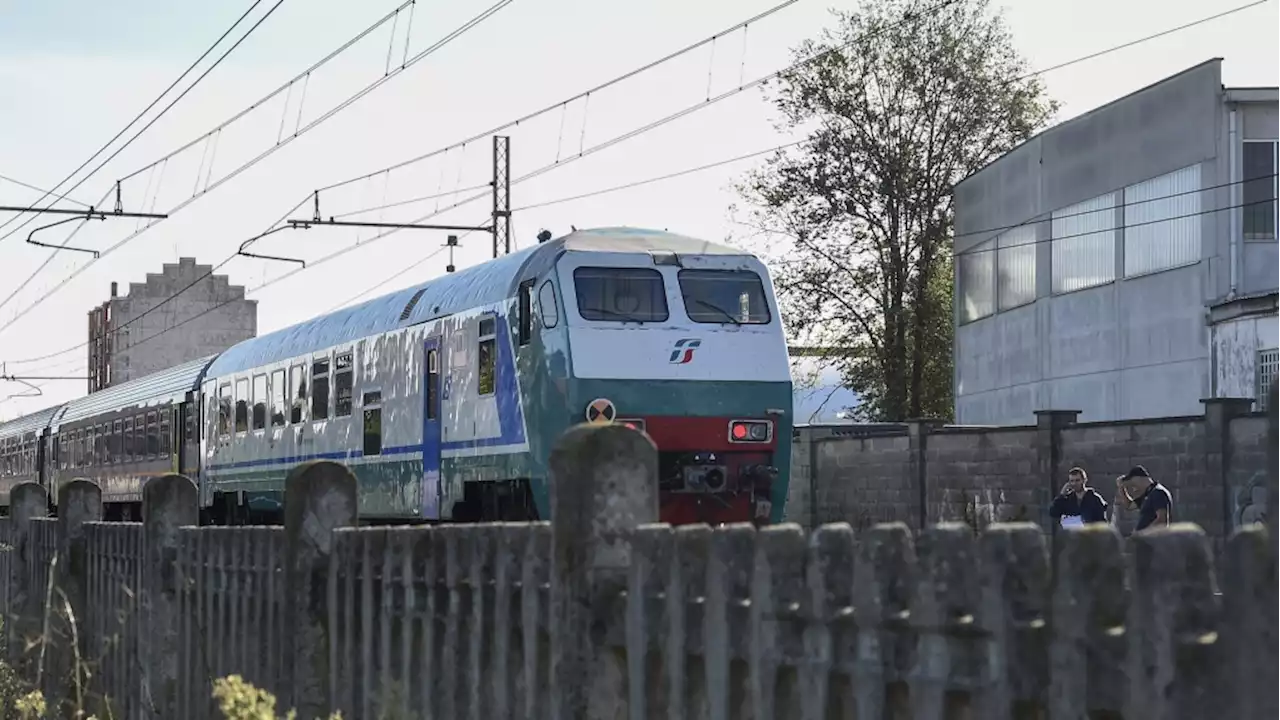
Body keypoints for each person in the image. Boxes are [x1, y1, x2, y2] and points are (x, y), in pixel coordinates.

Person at [1114, 465, 1172, 532]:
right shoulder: (1147, 494)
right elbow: (1129, 506)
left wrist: (1142, 535)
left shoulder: (1158, 492)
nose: (1134, 490)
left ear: (1138, 478)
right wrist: (1121, 488)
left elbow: (1162, 520)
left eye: (1133, 485)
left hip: (1153, 540)